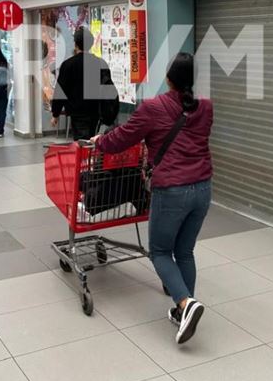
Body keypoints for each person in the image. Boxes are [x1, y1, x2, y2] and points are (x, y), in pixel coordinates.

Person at [91, 52, 213, 345]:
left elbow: (123, 138)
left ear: (169, 78)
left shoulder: (154, 107)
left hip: (172, 190)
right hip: (203, 188)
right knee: (185, 252)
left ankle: (185, 302)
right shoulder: (206, 107)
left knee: (159, 251)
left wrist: (100, 142)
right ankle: (181, 309)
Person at [50, 27, 119, 140]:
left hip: (77, 113)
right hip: (96, 112)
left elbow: (61, 91)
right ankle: (90, 157)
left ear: (76, 45)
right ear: (91, 45)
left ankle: (86, 157)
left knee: (82, 143)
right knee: (93, 140)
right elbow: (108, 88)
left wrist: (55, 113)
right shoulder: (101, 63)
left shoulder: (68, 65)